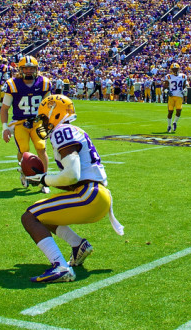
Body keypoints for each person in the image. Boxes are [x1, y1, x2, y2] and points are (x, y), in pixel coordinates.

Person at [22, 94, 122, 284]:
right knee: (42, 213)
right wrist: (42, 180)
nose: (42, 122)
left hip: (89, 196)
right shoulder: (71, 131)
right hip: (96, 196)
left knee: (30, 216)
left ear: (55, 113)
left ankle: (60, 266)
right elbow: (72, 181)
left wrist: (44, 179)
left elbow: (73, 175)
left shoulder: (62, 132)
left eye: (44, 117)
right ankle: (78, 245)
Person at [1, 55, 51, 193]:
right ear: (20, 69)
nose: (28, 71)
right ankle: (24, 170)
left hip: (37, 122)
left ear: (36, 69)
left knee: (41, 149)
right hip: (20, 122)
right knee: (23, 150)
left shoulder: (44, 83)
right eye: (26, 68)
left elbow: (48, 107)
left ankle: (44, 181)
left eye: (31, 68)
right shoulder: (13, 84)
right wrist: (4, 128)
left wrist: (50, 124)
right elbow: (4, 108)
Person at [164, 63, 187, 133]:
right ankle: (169, 126)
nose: (175, 70)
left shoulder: (183, 76)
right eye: (173, 69)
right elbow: (165, 87)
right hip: (171, 97)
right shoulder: (168, 77)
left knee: (179, 110)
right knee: (170, 112)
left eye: (176, 69)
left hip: (179, 96)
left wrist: (185, 90)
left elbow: (184, 86)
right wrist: (167, 91)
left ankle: (174, 122)